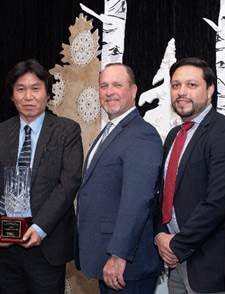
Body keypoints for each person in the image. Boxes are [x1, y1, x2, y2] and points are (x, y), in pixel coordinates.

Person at [0, 59, 83, 294]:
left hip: (46, 243)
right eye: (20, 89)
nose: (28, 97)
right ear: (12, 96)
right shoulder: (0, 132)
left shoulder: (66, 130)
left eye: (35, 88)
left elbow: (68, 184)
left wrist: (40, 228)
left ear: (47, 93)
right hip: (5, 244)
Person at [154, 57, 225, 294]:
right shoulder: (174, 135)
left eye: (191, 85)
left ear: (211, 89)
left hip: (208, 265)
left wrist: (177, 245)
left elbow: (218, 201)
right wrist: (160, 235)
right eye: (176, 85)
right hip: (175, 260)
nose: (182, 92)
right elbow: (162, 194)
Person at [76, 63, 162, 294]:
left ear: (133, 91)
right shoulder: (110, 131)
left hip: (125, 266)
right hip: (105, 259)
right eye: (103, 86)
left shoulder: (142, 134)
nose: (109, 91)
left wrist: (118, 255)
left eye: (117, 85)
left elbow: (137, 200)